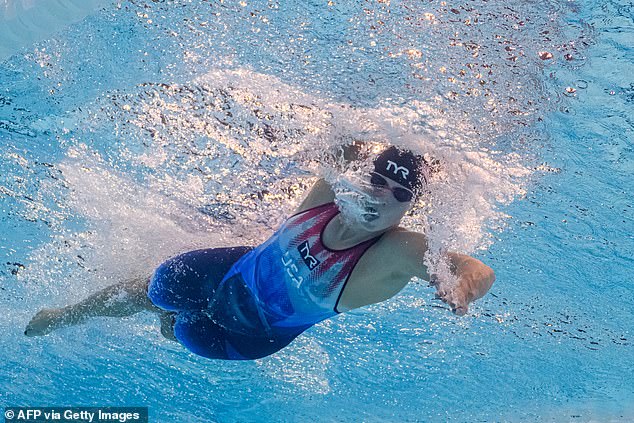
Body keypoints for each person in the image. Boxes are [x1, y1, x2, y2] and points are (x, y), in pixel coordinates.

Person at [25, 146, 495, 360]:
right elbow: (345, 138)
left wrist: (461, 286)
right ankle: (68, 313)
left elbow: (474, 268)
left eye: (399, 195)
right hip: (231, 271)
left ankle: (169, 323)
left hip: (243, 335)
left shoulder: (391, 252)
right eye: (376, 181)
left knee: (184, 331)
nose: (381, 197)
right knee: (161, 284)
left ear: (409, 208)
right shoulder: (326, 199)